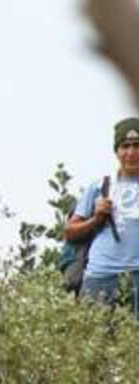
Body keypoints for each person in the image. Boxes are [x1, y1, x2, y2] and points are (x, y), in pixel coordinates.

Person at [66, 117, 139, 314]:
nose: (131, 153)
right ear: (117, 151)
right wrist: (95, 219)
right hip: (101, 276)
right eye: (125, 146)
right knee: (93, 332)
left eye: (137, 145)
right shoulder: (100, 186)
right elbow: (70, 232)